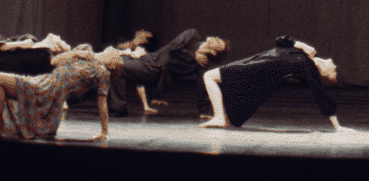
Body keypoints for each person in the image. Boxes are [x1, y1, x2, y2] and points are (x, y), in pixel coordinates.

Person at [0, 46, 121, 140]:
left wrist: (104, 132)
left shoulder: (103, 73)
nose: (108, 50)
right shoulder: (85, 53)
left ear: (112, 63)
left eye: (112, 53)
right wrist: (75, 53)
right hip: (43, 81)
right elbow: (54, 61)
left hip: (47, 92)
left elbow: (102, 104)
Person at [199, 36, 349, 131]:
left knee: (209, 76)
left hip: (257, 68)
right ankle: (222, 117)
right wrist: (300, 44)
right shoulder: (308, 54)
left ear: (323, 72)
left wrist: (338, 126)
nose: (332, 63)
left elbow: (320, 96)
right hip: (258, 62)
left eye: (333, 69)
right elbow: (280, 40)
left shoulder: (309, 68)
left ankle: (220, 117)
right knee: (211, 77)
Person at [109, 28, 227, 116]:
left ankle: (118, 109)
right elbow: (174, 46)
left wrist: (203, 111)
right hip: (150, 61)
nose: (216, 37)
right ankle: (117, 107)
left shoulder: (203, 62)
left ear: (214, 52)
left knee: (117, 66)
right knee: (110, 63)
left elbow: (202, 85)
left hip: (154, 70)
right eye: (218, 37)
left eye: (218, 42)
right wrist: (193, 55)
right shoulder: (192, 35)